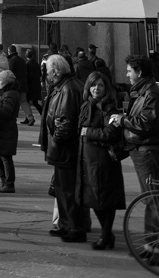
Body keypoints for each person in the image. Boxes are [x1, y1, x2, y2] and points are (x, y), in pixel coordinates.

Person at [108, 53, 159, 252]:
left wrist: (122, 120)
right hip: (142, 149)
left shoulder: (151, 92)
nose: (127, 74)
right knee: (151, 198)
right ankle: (150, 245)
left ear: (139, 72)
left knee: (153, 198)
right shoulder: (144, 91)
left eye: (129, 71)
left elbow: (147, 121)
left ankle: (154, 246)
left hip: (147, 150)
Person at [39, 53, 86, 242]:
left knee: (67, 189)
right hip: (62, 147)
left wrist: (57, 140)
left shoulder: (68, 89)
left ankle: (74, 226)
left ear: (56, 72)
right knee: (62, 189)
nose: (47, 76)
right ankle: (67, 224)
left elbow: (66, 120)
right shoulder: (63, 87)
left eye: (49, 72)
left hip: (66, 148)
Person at [77, 70, 125, 251]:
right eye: (93, 85)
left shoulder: (109, 108)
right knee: (92, 199)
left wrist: (88, 132)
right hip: (87, 159)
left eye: (101, 85)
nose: (96, 88)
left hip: (104, 160)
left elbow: (111, 133)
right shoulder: (86, 106)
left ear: (106, 88)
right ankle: (107, 234)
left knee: (105, 199)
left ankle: (105, 236)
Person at [0, 68, 20, 192]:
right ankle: (5, 180)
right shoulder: (7, 93)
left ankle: (8, 182)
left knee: (4, 156)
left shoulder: (10, 94)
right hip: (2, 128)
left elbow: (6, 112)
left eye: (0, 80)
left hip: (6, 129)